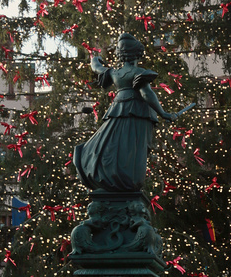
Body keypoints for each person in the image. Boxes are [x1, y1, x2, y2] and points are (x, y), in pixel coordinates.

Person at [74, 33, 193, 192]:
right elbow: (147, 94)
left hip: (117, 110)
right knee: (132, 147)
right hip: (137, 112)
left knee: (115, 143)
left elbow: (96, 66)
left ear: (120, 55)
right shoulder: (139, 73)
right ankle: (127, 179)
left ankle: (110, 174)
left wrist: (96, 59)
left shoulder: (114, 74)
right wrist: (163, 113)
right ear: (137, 54)